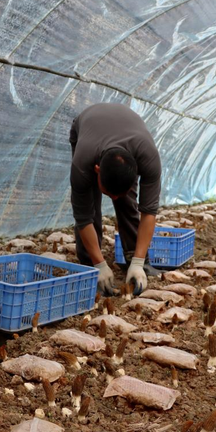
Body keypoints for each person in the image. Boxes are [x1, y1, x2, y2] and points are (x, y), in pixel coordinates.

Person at [69, 103, 162, 295]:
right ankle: (91, 265)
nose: (113, 199)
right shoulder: (83, 164)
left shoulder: (149, 158)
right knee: (90, 204)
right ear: (97, 170)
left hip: (129, 136)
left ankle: (136, 261)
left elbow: (149, 212)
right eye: (109, 193)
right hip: (87, 127)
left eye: (117, 194)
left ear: (137, 173)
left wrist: (138, 260)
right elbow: (82, 217)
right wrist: (99, 263)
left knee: (128, 201)